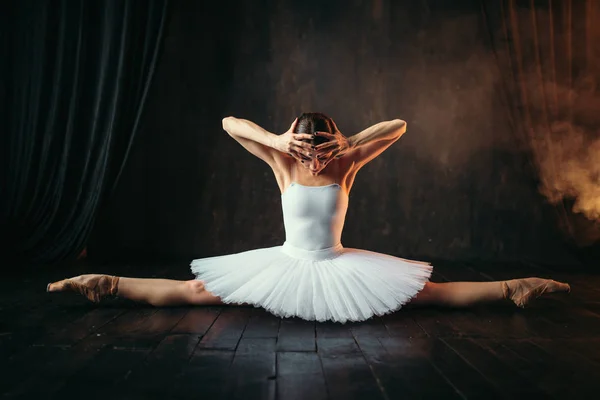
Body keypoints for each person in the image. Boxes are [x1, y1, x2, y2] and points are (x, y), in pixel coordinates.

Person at [47, 113, 570, 323]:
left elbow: (399, 126)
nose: (313, 154)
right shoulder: (281, 160)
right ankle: (105, 284)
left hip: (338, 261)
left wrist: (349, 142)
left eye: (319, 144)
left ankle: (513, 288)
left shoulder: (346, 163)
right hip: (287, 261)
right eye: (306, 143)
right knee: (195, 291)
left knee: (425, 295)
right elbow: (231, 124)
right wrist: (277, 141)